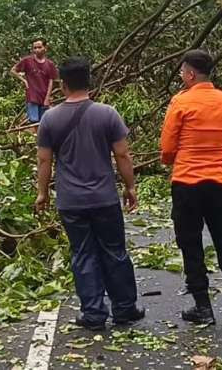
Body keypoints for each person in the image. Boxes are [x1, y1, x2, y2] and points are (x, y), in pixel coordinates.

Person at [35, 57, 144, 330]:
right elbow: (122, 154)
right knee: (115, 251)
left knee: (83, 254)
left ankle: (93, 314)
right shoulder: (107, 114)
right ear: (89, 81)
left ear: (62, 84)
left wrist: (42, 193)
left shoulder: (50, 118)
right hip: (104, 198)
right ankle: (124, 309)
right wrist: (129, 186)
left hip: (71, 201)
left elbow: (44, 161)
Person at [160, 49, 222, 324]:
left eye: (182, 72)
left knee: (191, 244)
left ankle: (203, 307)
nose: (181, 76)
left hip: (187, 184)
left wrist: (174, 160)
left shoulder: (180, 103)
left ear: (190, 74)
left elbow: (166, 148)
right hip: (219, 183)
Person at [10, 39, 58, 124]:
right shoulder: (27, 61)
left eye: (39, 47)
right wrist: (24, 80)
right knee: (34, 121)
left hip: (44, 96)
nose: (37, 50)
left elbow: (51, 82)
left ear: (45, 48)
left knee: (44, 122)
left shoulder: (50, 64)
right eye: (35, 48)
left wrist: (47, 98)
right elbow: (13, 71)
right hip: (32, 97)